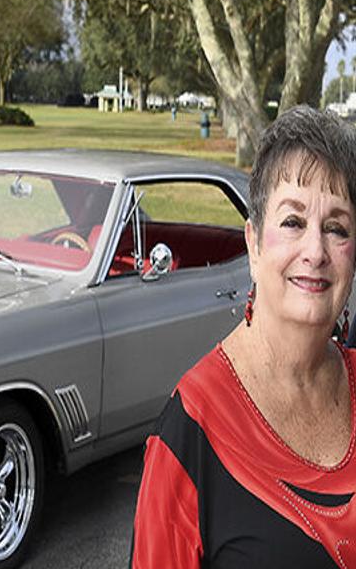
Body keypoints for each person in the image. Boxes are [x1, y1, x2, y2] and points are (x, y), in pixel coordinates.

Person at [130, 105, 356, 568]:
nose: (315, 251)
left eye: (336, 228)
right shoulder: (191, 428)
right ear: (253, 244)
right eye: (293, 222)